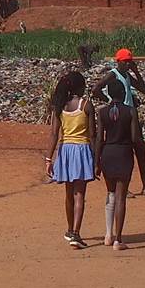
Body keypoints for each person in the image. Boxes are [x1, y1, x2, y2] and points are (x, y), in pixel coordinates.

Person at [95, 78, 145, 250]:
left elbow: (99, 140)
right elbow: (135, 139)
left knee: (110, 194)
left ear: (108, 93)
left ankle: (108, 234)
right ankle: (118, 239)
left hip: (107, 154)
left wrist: (96, 162)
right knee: (120, 197)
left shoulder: (101, 112)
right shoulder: (131, 111)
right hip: (124, 154)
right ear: (124, 93)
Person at [45, 70, 99, 248]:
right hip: (82, 150)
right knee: (79, 194)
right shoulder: (86, 105)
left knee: (69, 194)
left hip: (65, 150)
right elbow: (92, 136)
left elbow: (53, 134)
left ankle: (70, 229)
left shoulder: (60, 106)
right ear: (80, 87)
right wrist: (96, 159)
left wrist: (48, 158)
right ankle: (76, 233)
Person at [108, 49, 145, 196]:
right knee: (125, 152)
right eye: (125, 62)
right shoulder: (113, 74)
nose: (128, 64)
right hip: (122, 116)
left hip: (131, 115)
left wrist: (136, 72)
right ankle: (123, 187)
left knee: (140, 150)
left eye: (129, 62)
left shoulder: (126, 75)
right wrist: (109, 102)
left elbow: (143, 89)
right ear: (118, 61)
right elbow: (96, 89)